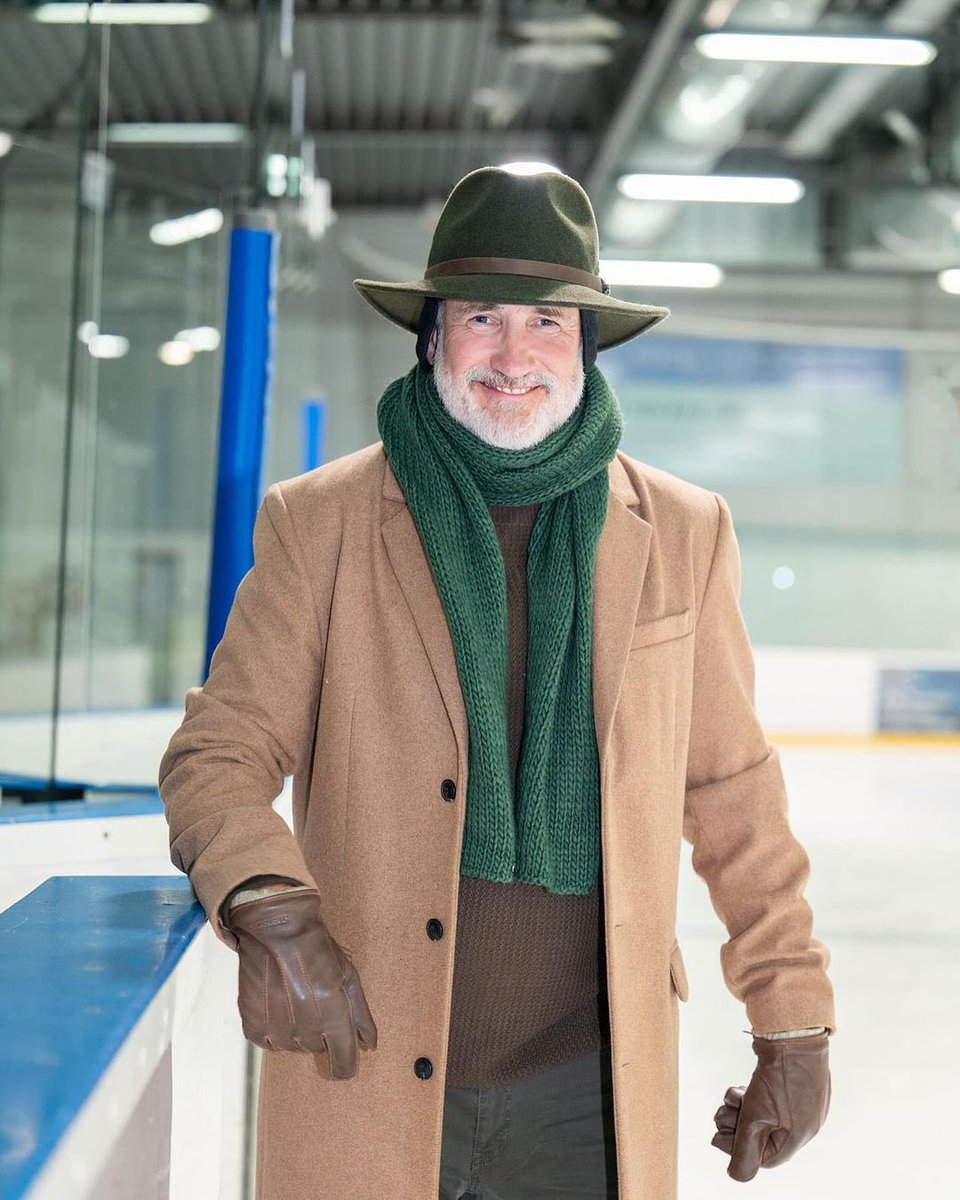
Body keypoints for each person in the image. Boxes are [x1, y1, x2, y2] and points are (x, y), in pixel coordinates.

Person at [159, 166, 835, 1200]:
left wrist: (794, 1021)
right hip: (368, 1065)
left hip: (589, 1092)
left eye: (548, 322)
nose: (514, 356)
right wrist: (268, 903)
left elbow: (731, 788)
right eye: (481, 317)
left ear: (586, 345)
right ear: (431, 336)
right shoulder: (322, 524)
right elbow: (221, 750)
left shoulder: (683, 535)